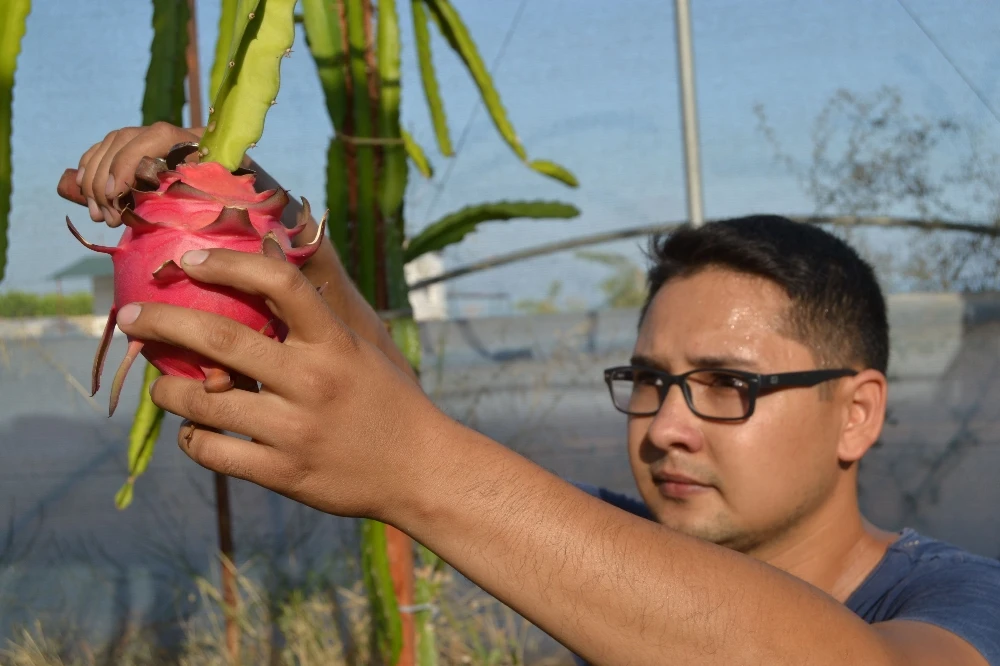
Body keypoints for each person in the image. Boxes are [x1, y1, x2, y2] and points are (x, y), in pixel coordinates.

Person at [60, 123, 1000, 666]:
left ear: (858, 412)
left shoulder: (959, 601)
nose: (667, 426)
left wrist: (419, 471)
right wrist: (266, 208)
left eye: (728, 386)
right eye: (649, 381)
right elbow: (400, 409)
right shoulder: (614, 554)